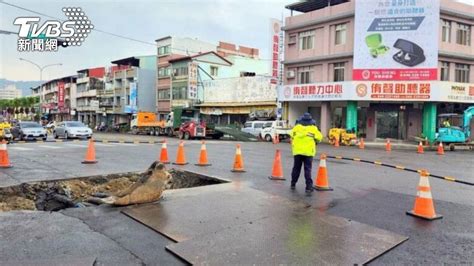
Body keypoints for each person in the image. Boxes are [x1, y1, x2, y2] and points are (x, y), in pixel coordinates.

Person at [289, 113, 323, 194]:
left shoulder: (297, 127)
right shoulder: (313, 129)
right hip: (308, 152)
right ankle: (308, 187)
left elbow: (291, 135)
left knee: (296, 168)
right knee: (307, 169)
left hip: (297, 151)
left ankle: (293, 183)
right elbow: (319, 138)